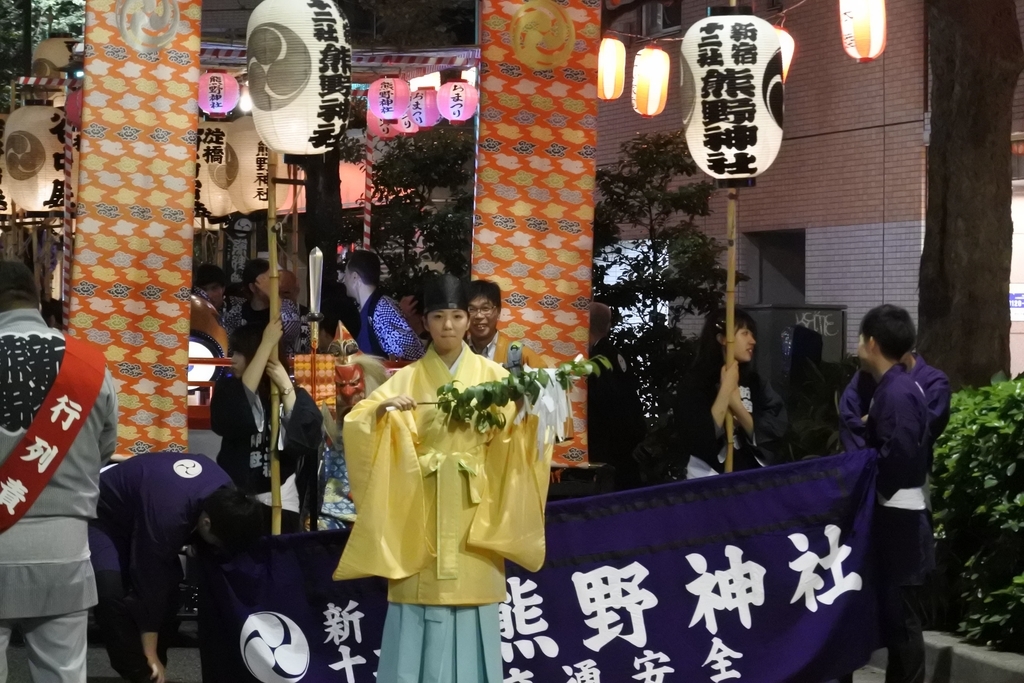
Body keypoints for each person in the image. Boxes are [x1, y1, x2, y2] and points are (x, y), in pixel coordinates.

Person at [334, 274, 552, 683]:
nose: (448, 325)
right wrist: (382, 414)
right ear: (426, 323)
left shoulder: (495, 378)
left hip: (475, 507)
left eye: (456, 316)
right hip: (422, 504)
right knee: (418, 603)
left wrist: (527, 408)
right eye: (438, 316)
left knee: (473, 606)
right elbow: (358, 422)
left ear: (469, 321)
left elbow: (519, 439)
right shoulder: (408, 378)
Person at [0, 260, 118, 683]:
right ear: (37, 300)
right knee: (63, 674)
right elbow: (106, 447)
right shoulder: (88, 365)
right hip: (65, 547)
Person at [88, 453, 264, 683]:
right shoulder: (169, 513)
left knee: (171, 592)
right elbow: (149, 582)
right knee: (112, 593)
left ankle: (157, 666)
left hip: (146, 513)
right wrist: (149, 653)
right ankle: (141, 673)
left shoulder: (228, 495)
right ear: (206, 523)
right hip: (104, 518)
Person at [840, 306, 933, 683]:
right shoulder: (896, 387)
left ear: (872, 343)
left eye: (861, 338)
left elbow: (900, 456)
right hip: (899, 516)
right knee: (897, 621)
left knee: (903, 621)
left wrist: (868, 471)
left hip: (901, 520)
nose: (858, 345)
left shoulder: (895, 392)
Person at [209, 319, 322, 532]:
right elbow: (235, 412)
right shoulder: (228, 390)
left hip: (280, 500)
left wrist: (286, 387)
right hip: (237, 498)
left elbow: (305, 441)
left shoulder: (291, 393)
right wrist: (266, 344)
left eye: (239, 353)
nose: (232, 360)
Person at [674, 308, 787, 478]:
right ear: (723, 339)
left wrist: (737, 407)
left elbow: (775, 428)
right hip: (709, 476)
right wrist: (726, 389)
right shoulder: (696, 383)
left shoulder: (755, 382)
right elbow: (699, 438)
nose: (753, 341)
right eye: (745, 333)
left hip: (750, 473)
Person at [839, 350, 950, 456]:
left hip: (912, 471)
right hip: (864, 468)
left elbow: (913, 436)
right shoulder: (864, 377)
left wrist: (872, 418)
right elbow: (849, 421)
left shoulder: (935, 382)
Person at [587, 302, 647, 490]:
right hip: (625, 444)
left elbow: (604, 403)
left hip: (607, 448)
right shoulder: (615, 355)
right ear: (608, 325)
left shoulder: (597, 359)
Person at [342, 250, 424, 361]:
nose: (343, 280)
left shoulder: (383, 310)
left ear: (355, 277)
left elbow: (414, 354)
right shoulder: (369, 308)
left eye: (346, 273)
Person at [221, 259, 302, 353]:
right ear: (253, 287)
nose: (275, 285)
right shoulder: (237, 312)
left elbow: (290, 332)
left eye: (275, 280)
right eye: (269, 280)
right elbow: (231, 346)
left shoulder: (287, 305)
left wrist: (273, 296)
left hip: (277, 365)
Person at [466, 280, 542, 373]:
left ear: (498, 311)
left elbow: (547, 383)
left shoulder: (520, 355)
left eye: (485, 308)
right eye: (471, 309)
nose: (479, 316)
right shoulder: (457, 353)